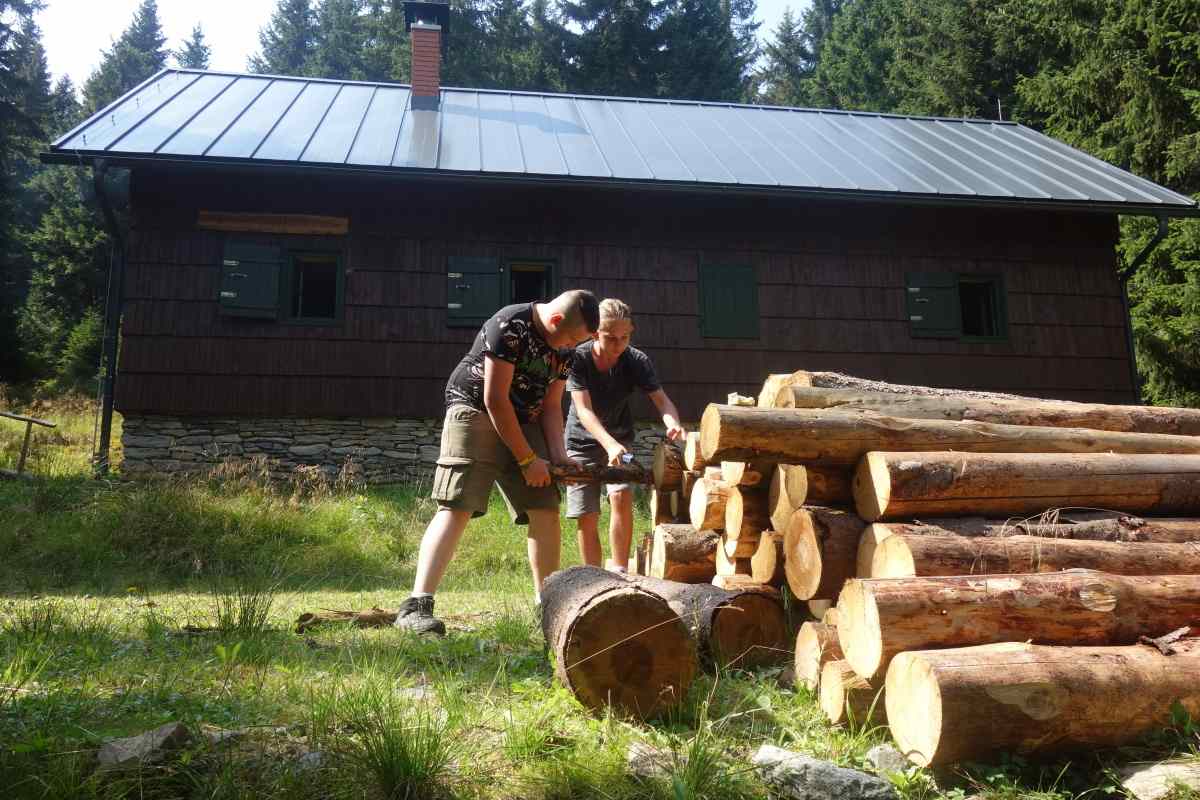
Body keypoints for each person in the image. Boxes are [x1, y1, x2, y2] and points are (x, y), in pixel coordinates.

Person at [393, 290, 600, 636]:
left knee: (545, 506)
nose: (571, 347)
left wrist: (559, 458)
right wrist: (528, 459)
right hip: (474, 408)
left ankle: (546, 606)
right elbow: (495, 399)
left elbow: (551, 407)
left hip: (526, 417)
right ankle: (416, 605)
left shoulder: (566, 349)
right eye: (571, 339)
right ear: (556, 320)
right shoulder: (510, 325)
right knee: (458, 503)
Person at [564, 299, 686, 571]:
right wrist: (608, 445)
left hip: (622, 440)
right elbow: (583, 411)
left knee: (621, 495)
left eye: (625, 337)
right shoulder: (578, 359)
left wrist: (673, 423)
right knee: (587, 513)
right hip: (580, 443)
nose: (619, 344)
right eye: (610, 337)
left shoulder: (636, 360)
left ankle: (619, 571)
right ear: (595, 332)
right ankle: (594, 576)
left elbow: (662, 401)